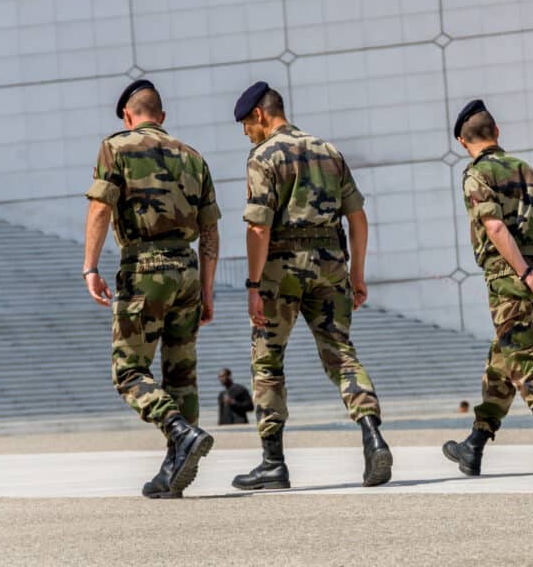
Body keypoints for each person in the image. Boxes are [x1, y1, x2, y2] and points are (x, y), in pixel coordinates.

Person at [230, 81, 392, 490]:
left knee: (267, 362)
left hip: (281, 270)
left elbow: (258, 227)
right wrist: (357, 275)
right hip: (331, 266)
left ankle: (273, 463)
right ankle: (373, 437)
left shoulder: (263, 156)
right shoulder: (328, 151)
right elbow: (358, 218)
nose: (247, 133)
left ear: (259, 115)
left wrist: (253, 284)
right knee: (342, 355)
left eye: (246, 125)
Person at [83, 79, 220, 499]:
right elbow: (210, 231)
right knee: (182, 374)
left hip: (144, 268)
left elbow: (101, 207)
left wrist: (90, 267)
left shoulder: (116, 147)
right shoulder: (193, 156)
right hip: (188, 270)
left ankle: (179, 431)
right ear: (161, 116)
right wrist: (208, 290)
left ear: (128, 115)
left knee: (128, 372)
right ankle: (174, 466)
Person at [441, 99, 533, 477]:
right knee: (501, 365)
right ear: (497, 132)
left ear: (462, 141)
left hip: (511, 280)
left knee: (524, 364)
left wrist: (523, 274)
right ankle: (474, 445)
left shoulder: (477, 176)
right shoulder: (531, 172)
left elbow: (494, 227)